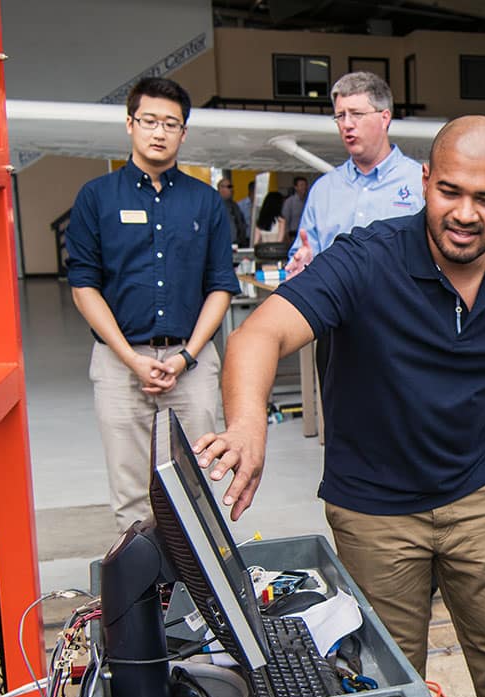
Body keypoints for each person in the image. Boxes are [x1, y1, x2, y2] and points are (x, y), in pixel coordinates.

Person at [194, 117, 485, 697]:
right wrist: (249, 423)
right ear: (424, 182)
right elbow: (260, 333)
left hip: (476, 494)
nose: (463, 213)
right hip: (373, 512)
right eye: (449, 191)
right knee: (391, 678)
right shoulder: (367, 260)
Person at [64, 76, 237, 531]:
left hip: (192, 362)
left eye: (171, 124)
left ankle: (195, 592)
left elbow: (221, 284)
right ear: (130, 124)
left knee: (194, 486)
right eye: (149, 121)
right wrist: (131, 359)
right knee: (131, 497)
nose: (159, 132)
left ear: (184, 133)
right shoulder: (96, 198)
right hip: (121, 362)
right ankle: (145, 595)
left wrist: (185, 356)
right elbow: (84, 285)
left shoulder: (206, 203)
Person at [285, 70, 424, 276]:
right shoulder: (323, 190)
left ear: (385, 118)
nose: (347, 124)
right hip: (335, 307)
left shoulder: (420, 183)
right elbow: (304, 255)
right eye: (340, 116)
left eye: (357, 114)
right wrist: (303, 265)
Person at [217, 177, 247, 246]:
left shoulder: (234, 204)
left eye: (231, 186)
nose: (232, 189)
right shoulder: (215, 205)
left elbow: (240, 222)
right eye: (229, 187)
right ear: (221, 189)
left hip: (238, 243)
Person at [280, 175, 308, 245]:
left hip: (306, 236)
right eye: (301, 185)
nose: (304, 187)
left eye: (305, 185)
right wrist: (287, 237)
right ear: (296, 187)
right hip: (293, 235)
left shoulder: (308, 201)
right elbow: (285, 220)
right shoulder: (290, 202)